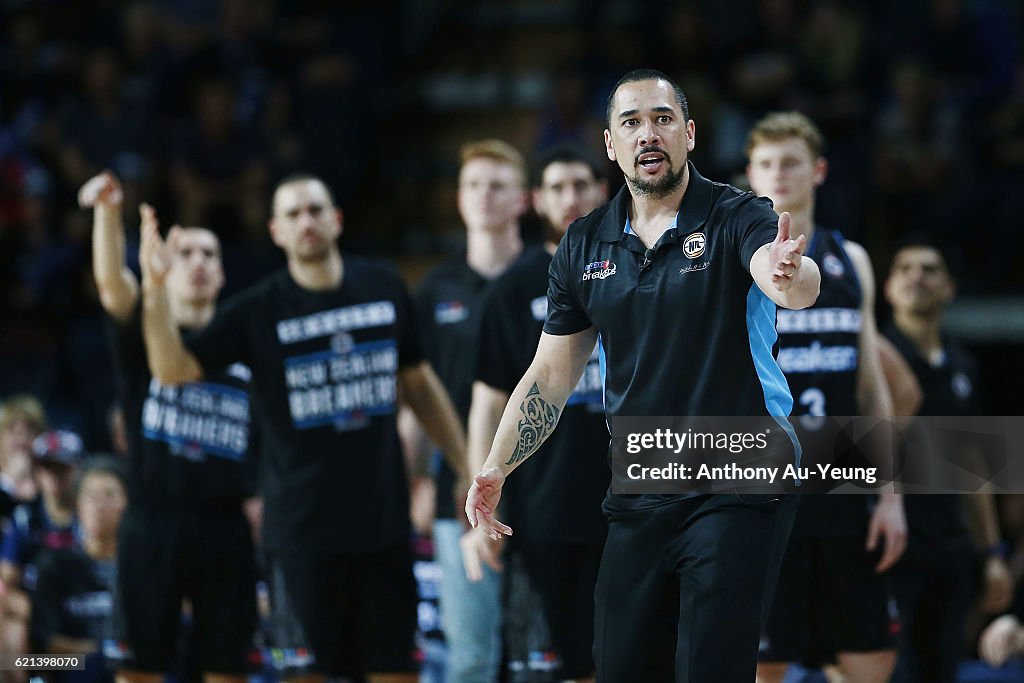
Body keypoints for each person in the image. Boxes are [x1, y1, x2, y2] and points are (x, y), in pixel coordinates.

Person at [466, 69, 820, 682]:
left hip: (740, 471)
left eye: (661, 119)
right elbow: (550, 375)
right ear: (610, 143)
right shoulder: (584, 243)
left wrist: (789, 273)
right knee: (623, 666)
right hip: (643, 477)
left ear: (688, 133)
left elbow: (786, 278)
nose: (647, 134)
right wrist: (497, 465)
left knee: (709, 665)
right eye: (631, 123)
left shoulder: (738, 214)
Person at [138, 173, 468, 683]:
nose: (306, 221)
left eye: (315, 209)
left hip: (382, 528)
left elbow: (420, 384)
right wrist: (156, 287)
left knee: (395, 674)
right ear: (275, 232)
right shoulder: (255, 310)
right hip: (300, 539)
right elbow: (170, 368)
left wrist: (466, 464)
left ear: (336, 219)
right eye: (292, 215)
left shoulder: (383, 286)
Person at [744, 111, 908, 683]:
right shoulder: (734, 265)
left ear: (818, 171)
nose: (778, 173)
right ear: (749, 174)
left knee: (871, 662)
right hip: (764, 494)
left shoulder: (851, 259)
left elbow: (872, 386)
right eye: (765, 163)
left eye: (790, 161)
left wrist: (891, 495)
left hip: (845, 487)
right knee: (763, 666)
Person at [78, 171, 259, 683]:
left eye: (210, 255)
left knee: (226, 670)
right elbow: (113, 284)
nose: (199, 263)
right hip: (153, 521)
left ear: (223, 274)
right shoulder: (143, 333)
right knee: (138, 670)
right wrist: (109, 213)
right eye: (186, 253)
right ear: (165, 265)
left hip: (226, 524)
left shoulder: (242, 338)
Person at [462, 143, 609, 683]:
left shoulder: (636, 270)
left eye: (580, 185)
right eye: (557, 187)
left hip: (633, 500)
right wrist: (481, 485)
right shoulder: (512, 289)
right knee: (546, 669)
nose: (570, 197)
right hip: (543, 511)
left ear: (601, 191)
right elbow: (487, 403)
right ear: (537, 200)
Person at [408, 139, 528, 683]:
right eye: (474, 184)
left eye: (497, 184)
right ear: (458, 199)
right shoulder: (434, 291)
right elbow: (415, 398)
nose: (484, 195)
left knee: (543, 659)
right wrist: (414, 478)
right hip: (456, 487)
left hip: (541, 491)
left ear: (523, 199)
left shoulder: (550, 281)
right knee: (472, 659)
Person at [882, 237, 1013, 682]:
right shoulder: (875, 357)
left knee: (943, 671)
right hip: (890, 550)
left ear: (949, 289)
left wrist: (991, 552)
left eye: (929, 269)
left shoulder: (963, 365)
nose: (917, 277)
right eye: (905, 269)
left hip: (950, 549)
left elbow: (976, 465)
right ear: (887, 289)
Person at [31, 456, 129, 683]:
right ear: (77, 505)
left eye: (110, 495)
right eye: (91, 496)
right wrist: (101, 655)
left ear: (128, 505)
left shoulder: (142, 570)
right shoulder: (54, 565)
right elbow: (40, 653)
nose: (99, 505)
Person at [0, 428, 83, 665]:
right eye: (47, 468)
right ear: (37, 472)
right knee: (12, 644)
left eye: (62, 468)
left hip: (82, 609)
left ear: (78, 469)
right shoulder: (25, 518)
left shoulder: (91, 517)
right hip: (37, 613)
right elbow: (7, 580)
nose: (54, 476)